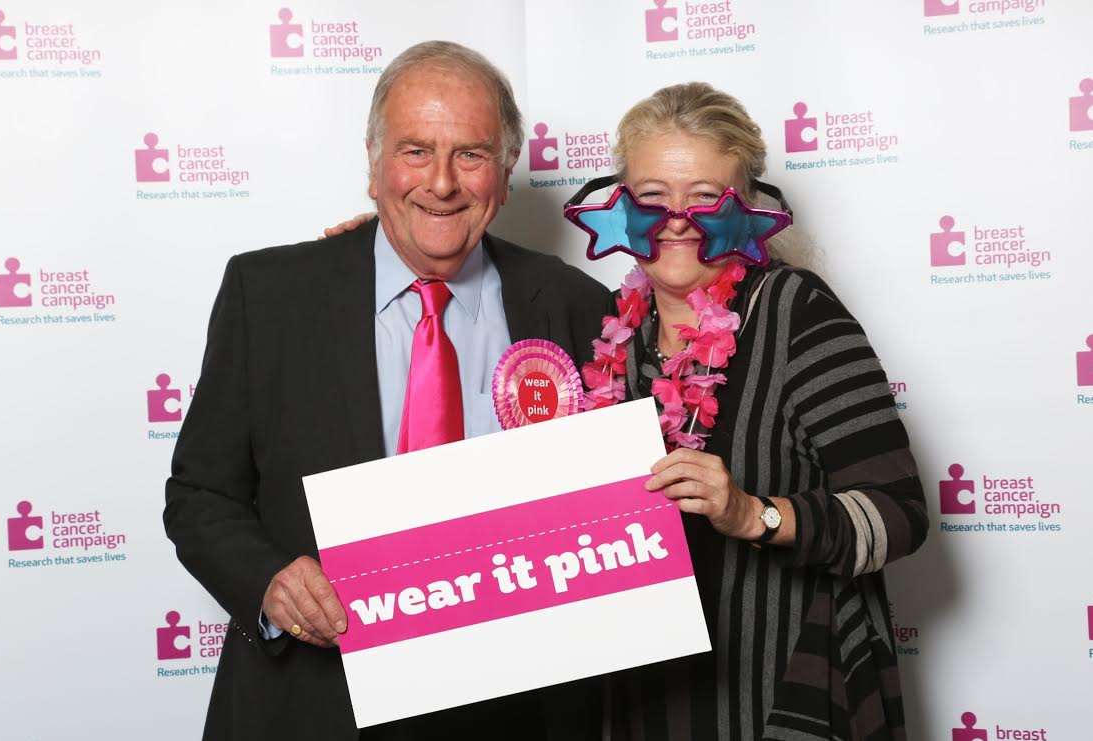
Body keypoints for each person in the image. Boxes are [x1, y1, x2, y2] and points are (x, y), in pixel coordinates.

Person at [328, 81, 929, 741]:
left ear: (746, 208)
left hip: (779, 692)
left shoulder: (793, 311)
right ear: (621, 205)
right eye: (652, 197)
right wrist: (385, 246)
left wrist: (752, 513)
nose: (678, 220)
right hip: (640, 706)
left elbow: (898, 512)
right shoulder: (609, 327)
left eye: (705, 197)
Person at [163, 41, 608, 741]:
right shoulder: (270, 296)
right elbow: (197, 495)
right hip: (312, 705)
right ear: (374, 166)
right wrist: (270, 580)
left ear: (506, 170)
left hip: (512, 710)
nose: (440, 182)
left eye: (470, 153)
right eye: (414, 151)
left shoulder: (576, 304)